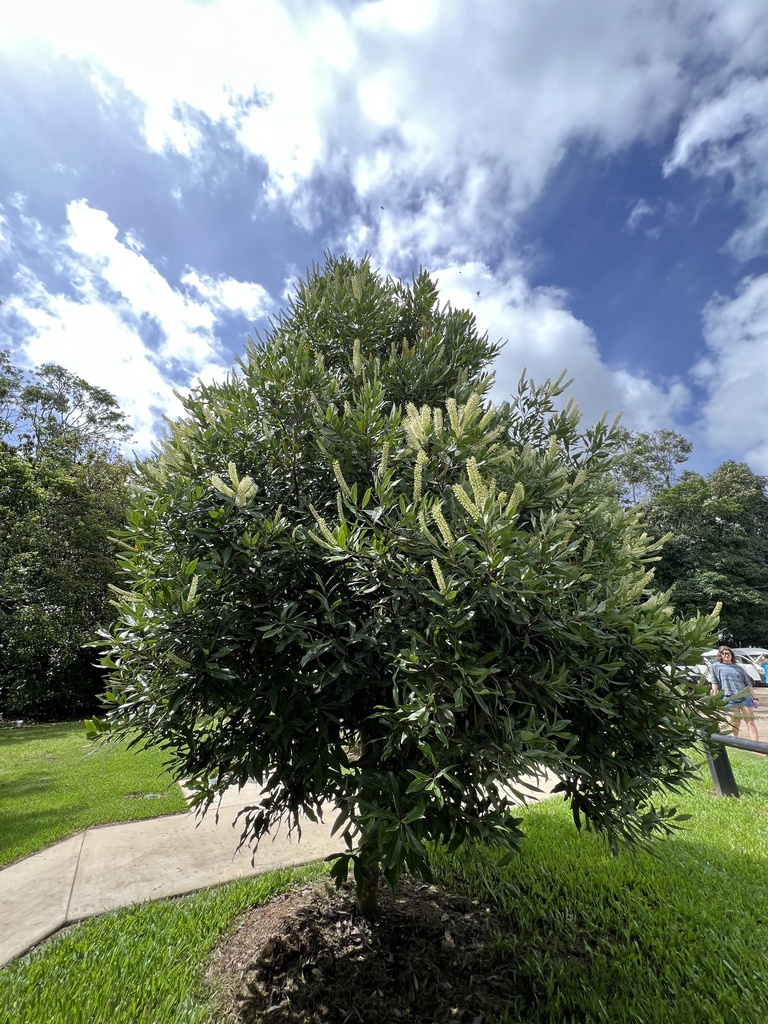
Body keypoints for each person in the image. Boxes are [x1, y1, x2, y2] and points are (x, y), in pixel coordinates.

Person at [709, 646, 760, 743]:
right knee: (735, 723)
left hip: (745, 698)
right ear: (720, 655)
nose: (727, 655)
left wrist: (755, 698)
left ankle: (756, 747)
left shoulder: (739, 668)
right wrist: (714, 696)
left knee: (750, 722)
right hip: (729, 698)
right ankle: (736, 744)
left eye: (729, 653)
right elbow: (714, 682)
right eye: (724, 654)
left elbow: (748, 685)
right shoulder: (716, 667)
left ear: (732, 655)